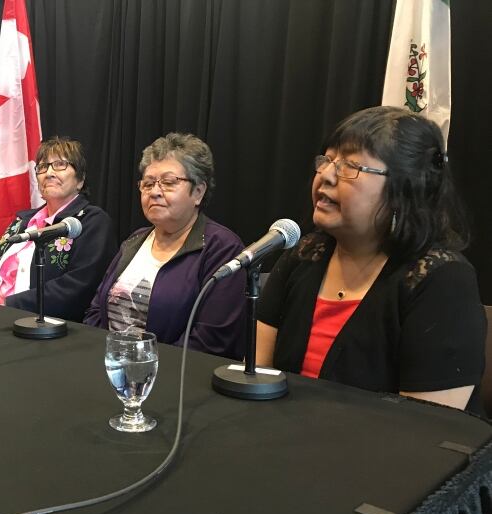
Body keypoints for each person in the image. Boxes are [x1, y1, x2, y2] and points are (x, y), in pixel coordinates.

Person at [256, 106, 486, 410]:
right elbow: (257, 379)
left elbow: (426, 431)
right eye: (326, 160)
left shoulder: (442, 281)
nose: (324, 175)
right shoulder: (303, 255)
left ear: (404, 189)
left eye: (348, 166)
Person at [84, 133, 246, 359]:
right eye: (148, 183)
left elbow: (211, 341)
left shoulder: (222, 248)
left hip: (175, 379)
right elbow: (95, 311)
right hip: (111, 367)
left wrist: (143, 368)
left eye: (169, 183)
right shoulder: (135, 240)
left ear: (198, 192)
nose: (155, 192)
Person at [0, 136, 116, 322]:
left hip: (43, 326)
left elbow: (79, 287)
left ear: (80, 180)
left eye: (59, 164)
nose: (48, 173)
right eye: (42, 167)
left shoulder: (92, 221)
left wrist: (7, 306)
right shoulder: (22, 220)